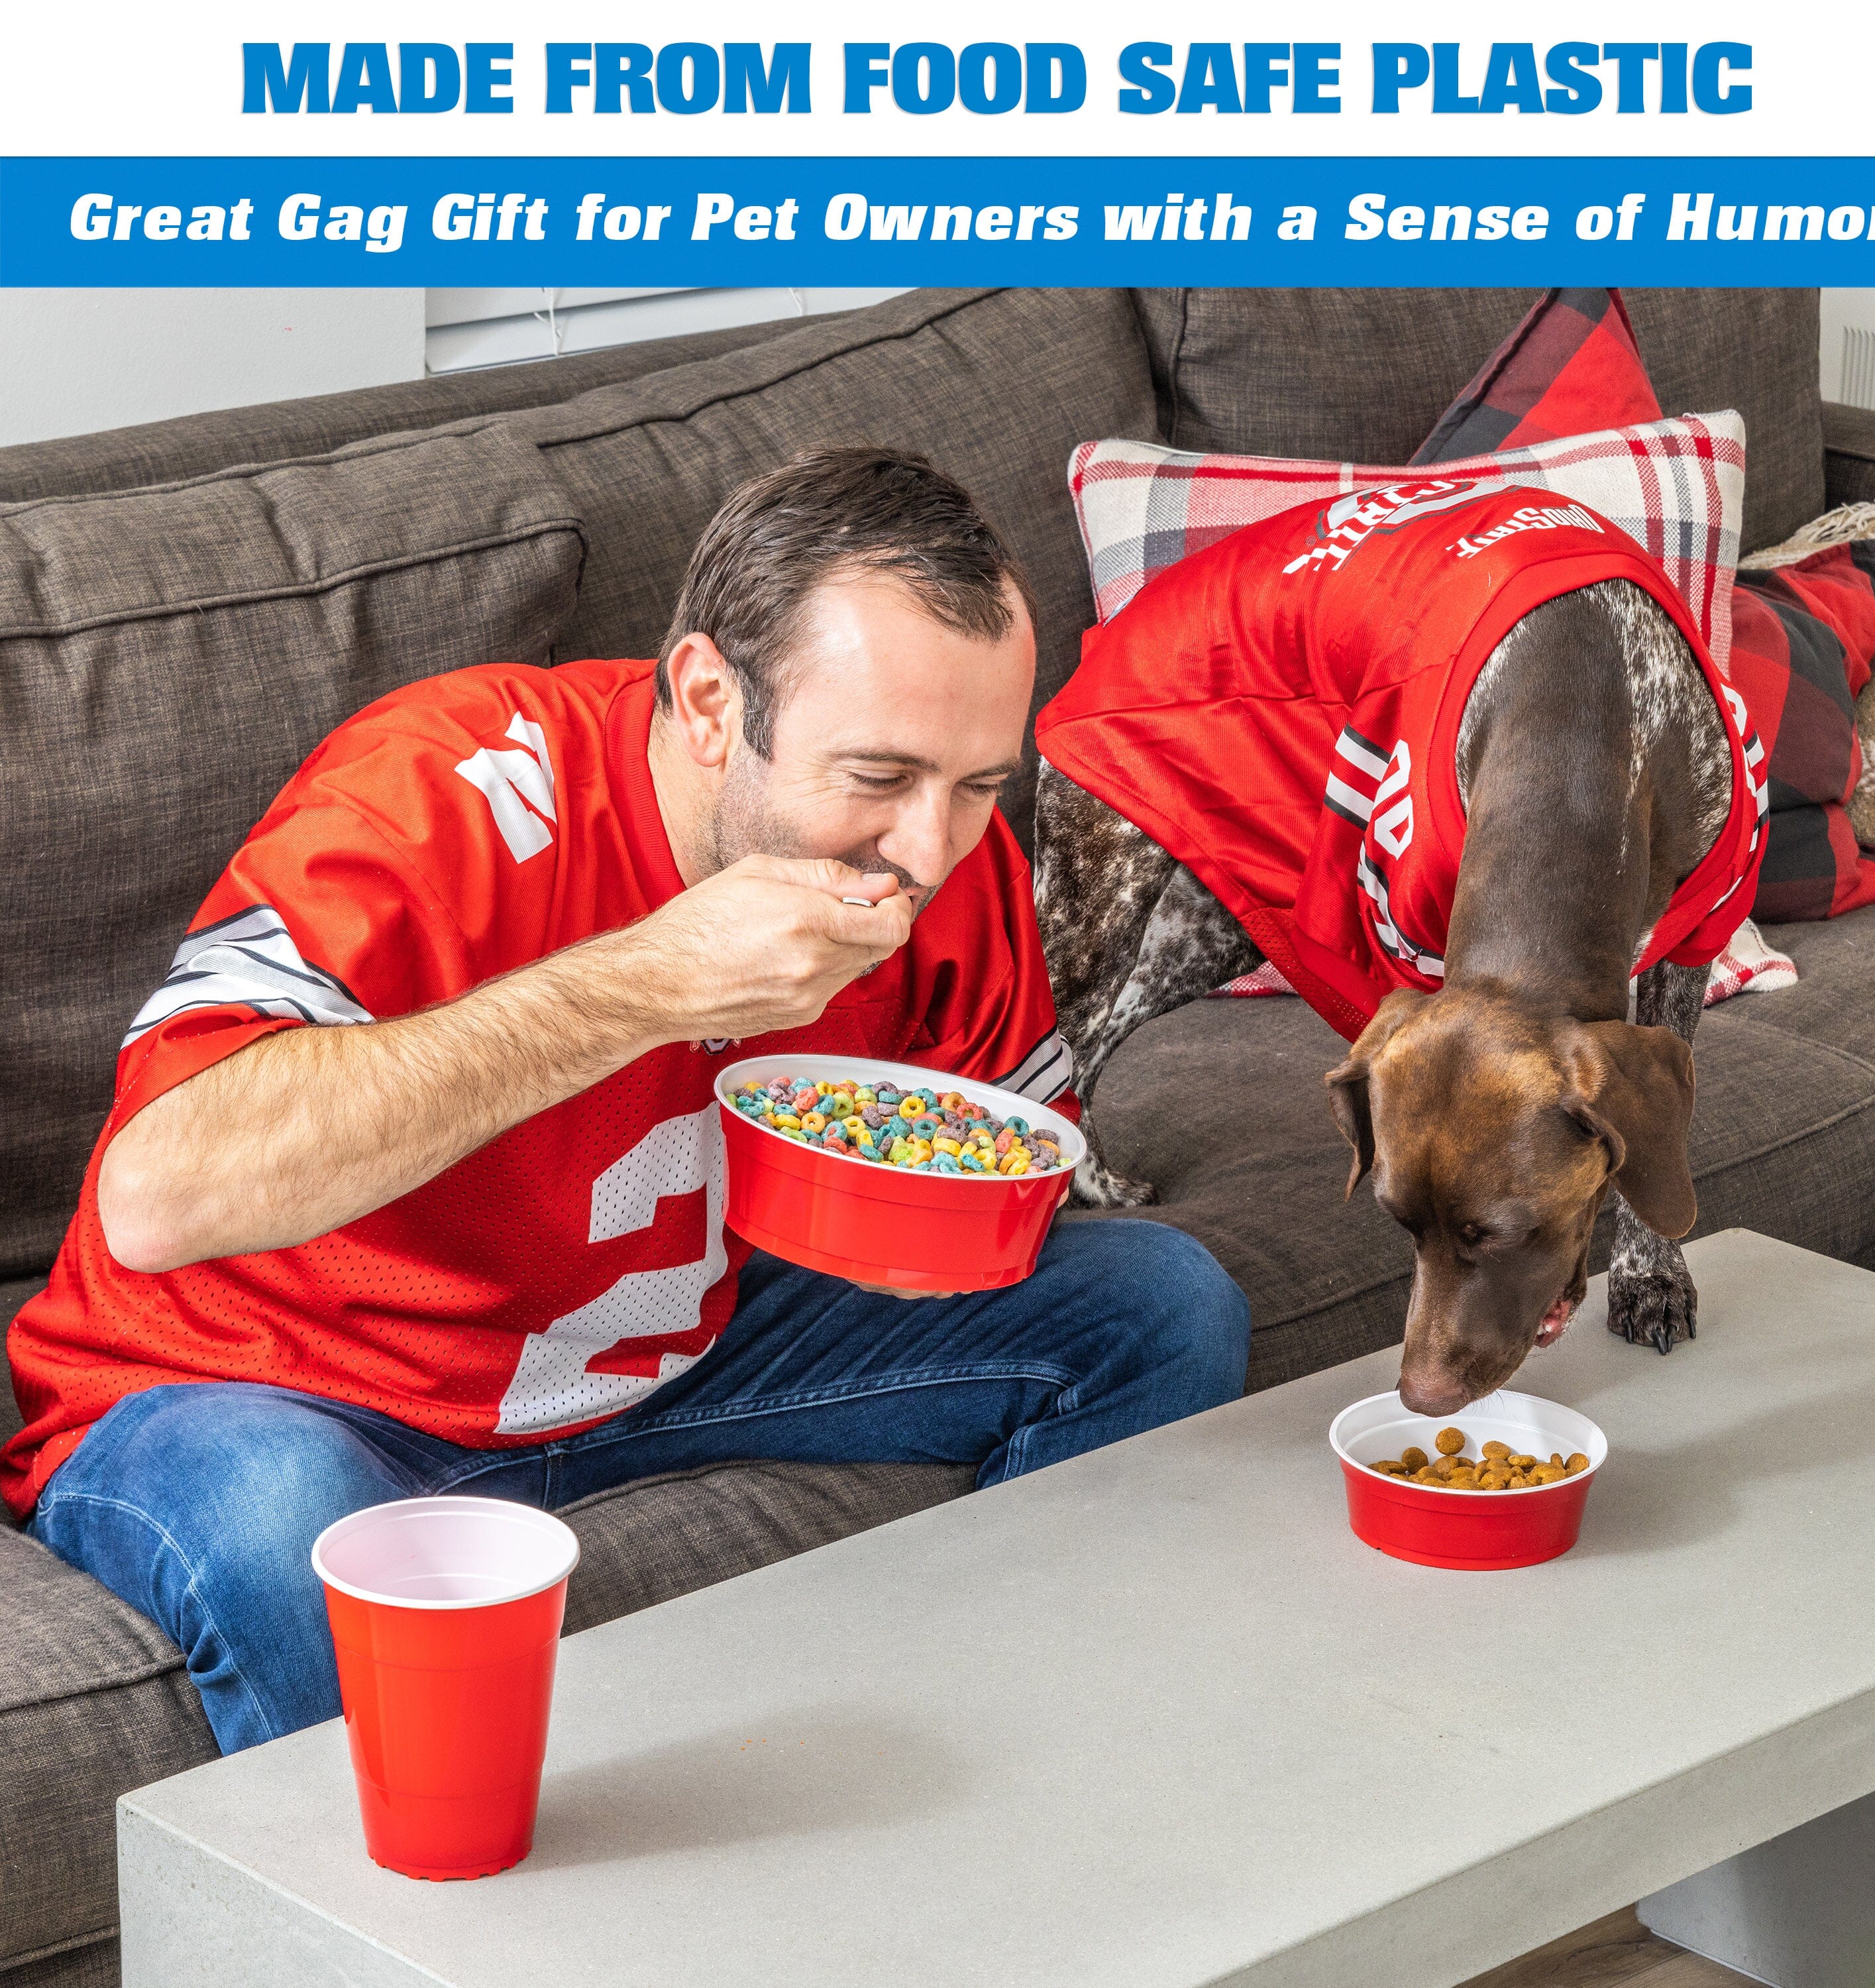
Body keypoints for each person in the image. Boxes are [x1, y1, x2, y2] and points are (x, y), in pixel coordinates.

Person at [3, 445, 1250, 1752]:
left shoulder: (938, 856)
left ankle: (1016, 1758)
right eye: (878, 778)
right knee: (287, 1525)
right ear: (710, 701)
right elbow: (159, 1193)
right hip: (274, 1386)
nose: (930, 848)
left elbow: (1004, 1163)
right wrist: (646, 983)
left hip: (668, 1351)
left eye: (980, 784)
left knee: (1160, 1304)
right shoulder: (451, 788)